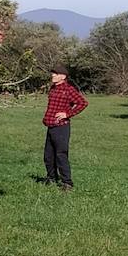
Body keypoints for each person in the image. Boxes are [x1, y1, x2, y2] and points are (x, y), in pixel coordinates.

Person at [42, 62, 87, 190]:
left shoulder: (69, 90)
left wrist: (67, 114)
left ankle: (67, 183)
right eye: (53, 73)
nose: (52, 75)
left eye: (55, 73)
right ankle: (51, 178)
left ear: (63, 76)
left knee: (61, 155)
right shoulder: (53, 88)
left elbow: (82, 103)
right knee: (48, 156)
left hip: (61, 127)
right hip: (50, 126)